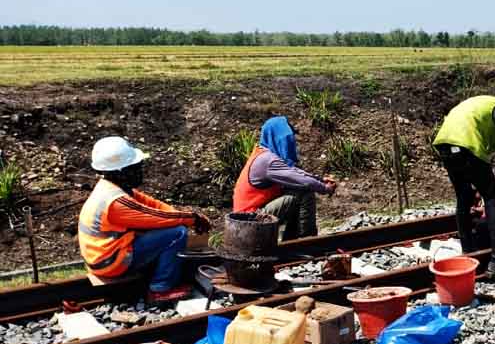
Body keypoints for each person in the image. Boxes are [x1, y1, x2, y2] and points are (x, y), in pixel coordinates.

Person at [78, 136, 210, 304]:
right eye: (136, 167)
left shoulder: (112, 187)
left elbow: (152, 205)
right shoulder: (116, 202)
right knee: (176, 233)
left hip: (101, 257)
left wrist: (184, 216)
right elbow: (157, 218)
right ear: (121, 171)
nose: (141, 171)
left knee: (166, 228)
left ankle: (156, 275)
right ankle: (160, 289)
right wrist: (192, 219)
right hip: (110, 262)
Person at [433, 88, 495, 276]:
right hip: (466, 145)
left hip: (444, 144)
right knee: (492, 196)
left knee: (464, 195)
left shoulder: (486, 103)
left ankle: (468, 251)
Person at [233, 116, 336, 240]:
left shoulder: (263, 154)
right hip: (249, 221)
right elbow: (300, 180)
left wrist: (319, 179)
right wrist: (324, 188)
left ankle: (292, 241)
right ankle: (306, 240)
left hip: (246, 220)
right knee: (305, 192)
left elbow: (293, 172)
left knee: (296, 191)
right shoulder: (268, 161)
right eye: (287, 139)